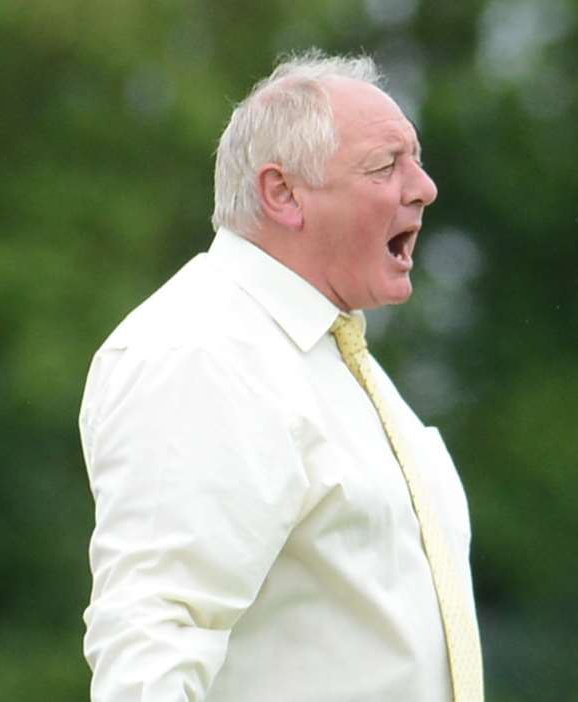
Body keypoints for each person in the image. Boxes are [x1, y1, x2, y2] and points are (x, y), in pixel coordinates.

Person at [78, 49, 483, 701]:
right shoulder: (202, 352)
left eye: (416, 158)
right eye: (386, 166)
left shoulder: (328, 353)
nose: (424, 187)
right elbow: (152, 636)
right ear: (283, 193)